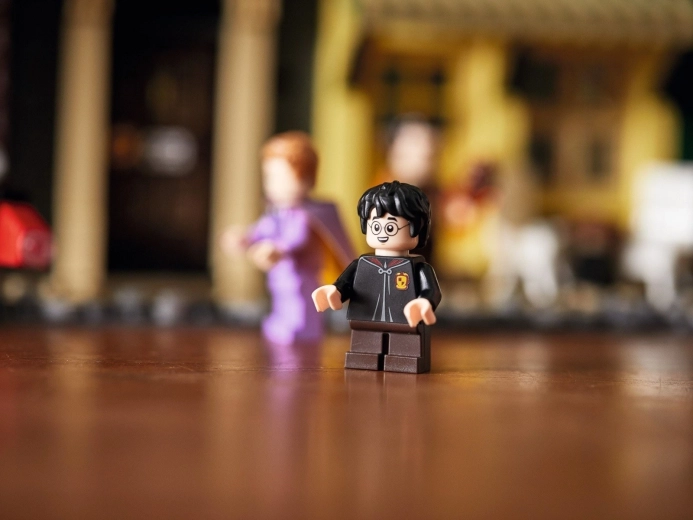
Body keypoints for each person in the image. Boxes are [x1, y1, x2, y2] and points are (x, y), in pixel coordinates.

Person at [222, 131, 353, 346]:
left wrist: (277, 249)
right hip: (280, 275)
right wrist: (243, 238)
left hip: (302, 275)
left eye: (282, 178)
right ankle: (282, 322)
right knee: (282, 300)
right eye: (269, 177)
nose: (274, 184)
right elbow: (261, 231)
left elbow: (297, 239)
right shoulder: (276, 213)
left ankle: (302, 328)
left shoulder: (306, 215)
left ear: (307, 179)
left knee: (301, 303)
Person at [312, 181, 441, 373]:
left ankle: (403, 360)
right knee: (364, 346)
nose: (382, 234)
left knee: (405, 348)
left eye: (390, 228)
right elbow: (345, 284)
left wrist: (425, 302)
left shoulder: (418, 268)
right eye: (375, 226)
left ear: (417, 228)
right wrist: (334, 291)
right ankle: (364, 357)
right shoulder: (362, 264)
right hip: (365, 319)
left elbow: (431, 290)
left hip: (405, 322)